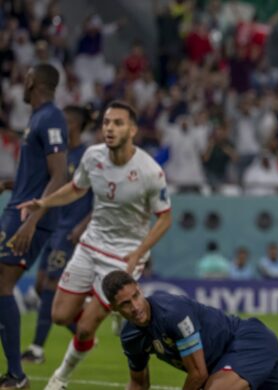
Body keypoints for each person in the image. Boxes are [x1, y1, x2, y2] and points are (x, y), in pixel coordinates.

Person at [18, 100, 172, 390]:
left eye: (118, 123)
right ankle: (109, 307)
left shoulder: (150, 171)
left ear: (133, 130)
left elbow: (165, 218)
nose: (110, 128)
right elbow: (76, 189)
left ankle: (60, 378)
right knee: (60, 315)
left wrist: (138, 253)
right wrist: (43, 203)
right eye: (106, 123)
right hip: (90, 246)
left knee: (87, 326)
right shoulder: (93, 157)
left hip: (122, 256)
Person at [101, 270, 278, 390]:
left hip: (247, 343)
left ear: (140, 290)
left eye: (136, 297)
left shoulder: (172, 313)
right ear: (113, 308)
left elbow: (198, 373)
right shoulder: (131, 337)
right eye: (126, 304)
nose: (136, 307)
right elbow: (139, 383)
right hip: (228, 362)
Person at [0, 63, 68, 390]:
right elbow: (42, 174)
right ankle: (14, 372)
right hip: (19, 208)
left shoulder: (52, 117)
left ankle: (17, 374)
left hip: (27, 217)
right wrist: (14, 183)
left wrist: (33, 220)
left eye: (23, 78)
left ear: (31, 81)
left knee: (2, 283)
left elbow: (60, 174)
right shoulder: (38, 118)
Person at [21, 105, 94, 364]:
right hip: (53, 229)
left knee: (51, 285)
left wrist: (83, 226)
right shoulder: (60, 154)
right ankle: (84, 333)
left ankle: (36, 350)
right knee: (41, 287)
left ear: (73, 125)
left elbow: (99, 199)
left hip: (70, 232)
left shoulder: (88, 155)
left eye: (64, 121)